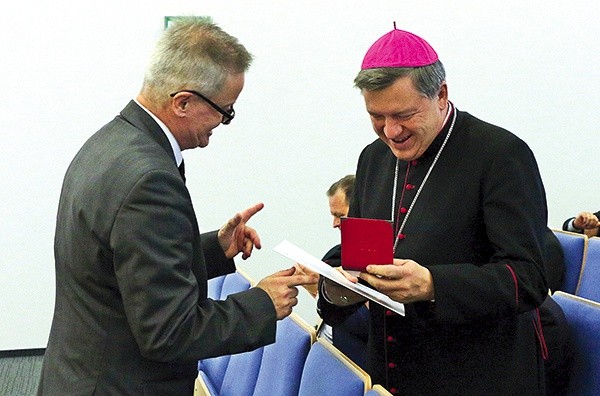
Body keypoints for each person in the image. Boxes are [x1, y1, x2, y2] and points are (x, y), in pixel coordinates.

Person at [38, 17, 316, 395]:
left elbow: (122, 264)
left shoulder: (109, 143)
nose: (224, 122)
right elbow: (169, 332)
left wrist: (214, 249)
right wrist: (262, 304)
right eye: (225, 111)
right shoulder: (149, 180)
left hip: (83, 373)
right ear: (183, 101)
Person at [318, 25, 552, 394]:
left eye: (403, 114)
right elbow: (358, 256)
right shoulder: (373, 159)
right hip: (390, 372)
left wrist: (432, 285)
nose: (391, 132)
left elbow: (529, 278)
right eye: (376, 116)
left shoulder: (500, 155)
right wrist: (339, 292)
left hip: (477, 376)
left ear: (441, 94)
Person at [297, 175, 369, 368]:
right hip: (326, 353)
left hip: (353, 368)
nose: (334, 224)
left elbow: (365, 324)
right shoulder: (336, 255)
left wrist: (321, 291)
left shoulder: (379, 261)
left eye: (339, 215)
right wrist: (315, 288)